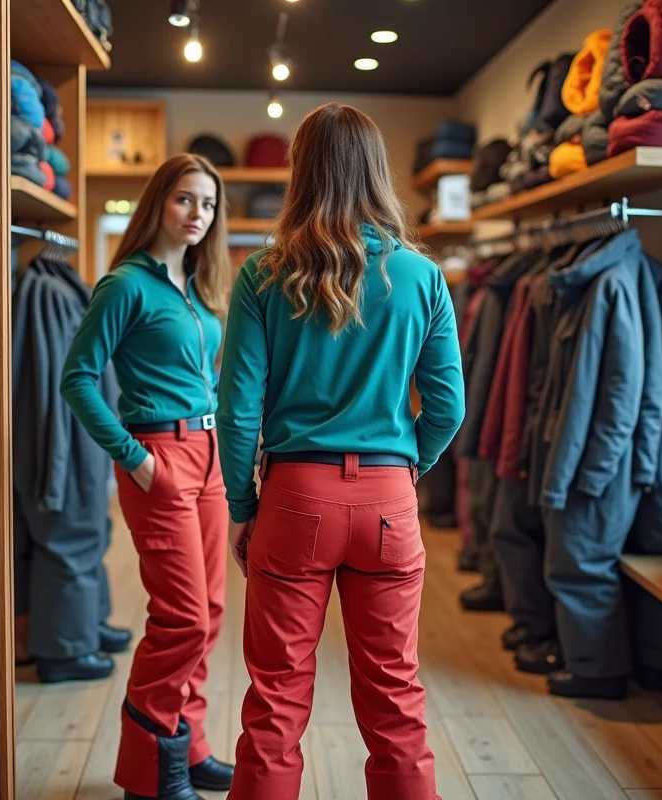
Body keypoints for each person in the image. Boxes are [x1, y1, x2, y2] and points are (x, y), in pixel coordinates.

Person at [217, 103, 465, 800]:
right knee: (396, 702)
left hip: (294, 500)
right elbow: (448, 408)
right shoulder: (421, 277)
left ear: (301, 173)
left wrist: (243, 505)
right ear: (376, 173)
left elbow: (239, 413)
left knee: (275, 702)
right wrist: (405, 464)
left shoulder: (262, 275)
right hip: (388, 500)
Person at [60, 153, 235, 800]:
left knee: (210, 614)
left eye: (209, 204)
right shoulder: (125, 285)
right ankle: (147, 771)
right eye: (187, 199)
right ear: (160, 201)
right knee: (182, 617)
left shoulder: (196, 286)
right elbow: (76, 379)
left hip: (210, 457)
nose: (199, 214)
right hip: (159, 456)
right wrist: (134, 459)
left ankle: (189, 751)